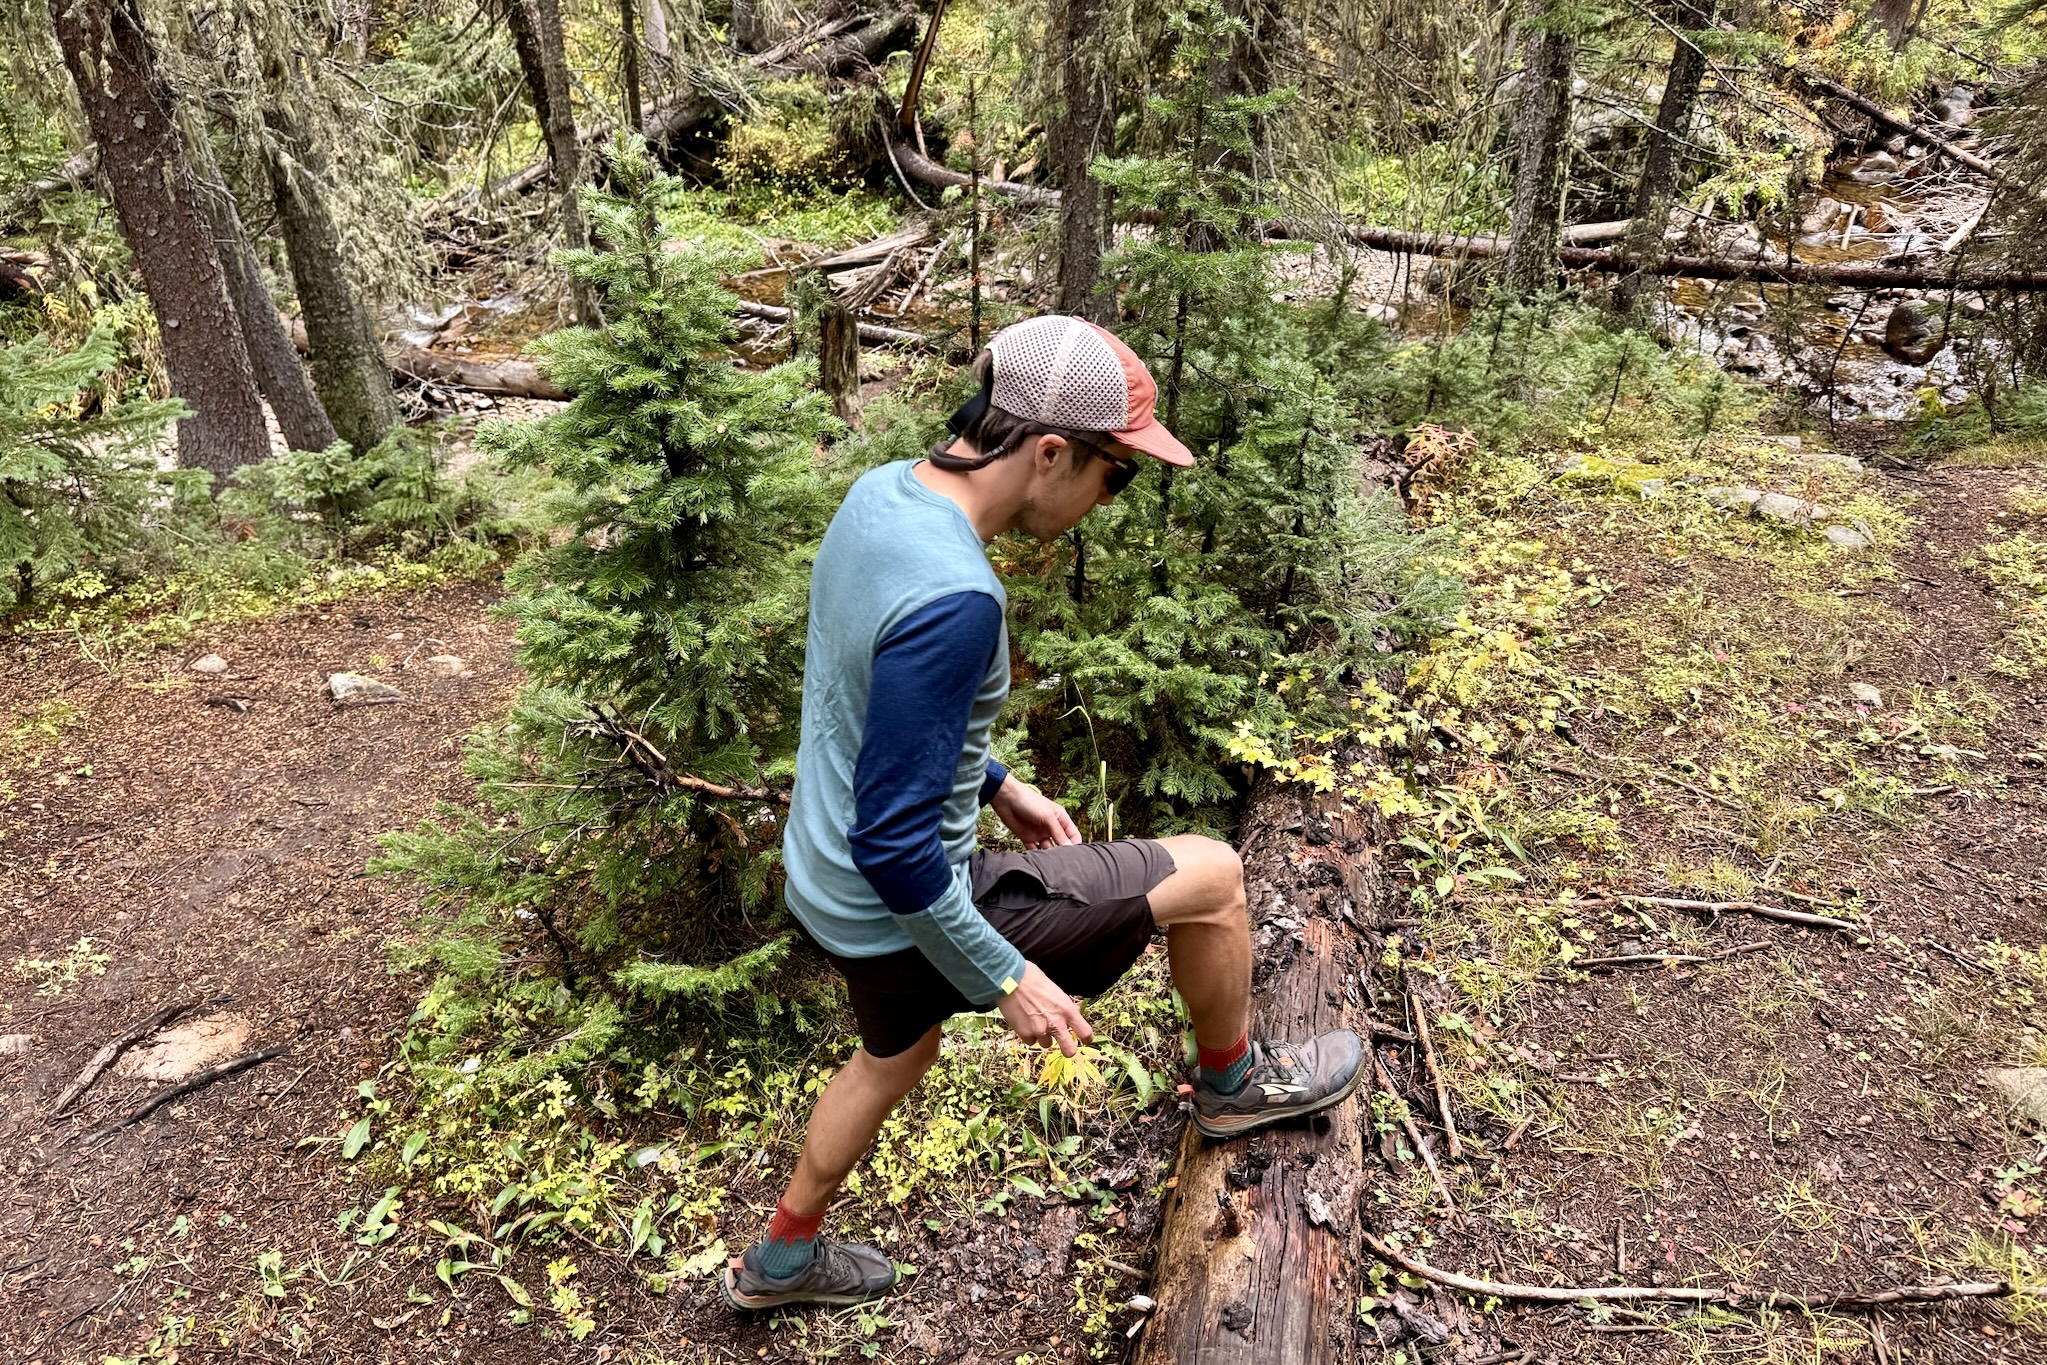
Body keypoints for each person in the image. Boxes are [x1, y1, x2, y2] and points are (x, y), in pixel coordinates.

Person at [721, 315, 1364, 1311]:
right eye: (1117, 474)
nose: (1110, 498)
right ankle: (1232, 1085)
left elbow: (867, 706)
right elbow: (895, 845)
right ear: (1051, 451)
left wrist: (999, 785)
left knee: (896, 1054)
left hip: (827, 888)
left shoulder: (878, 498)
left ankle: (780, 1259)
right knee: (1213, 878)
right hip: (896, 900)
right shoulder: (957, 597)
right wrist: (1007, 975)